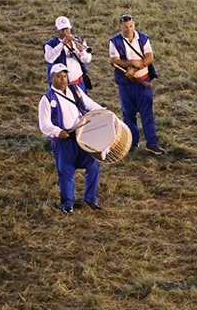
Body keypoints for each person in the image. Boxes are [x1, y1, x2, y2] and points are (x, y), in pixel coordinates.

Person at [38, 64, 106, 214]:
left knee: (93, 165)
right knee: (66, 172)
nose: (63, 79)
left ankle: (90, 200)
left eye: (64, 76)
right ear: (51, 78)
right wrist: (57, 132)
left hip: (82, 136)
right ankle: (67, 204)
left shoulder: (75, 90)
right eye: (58, 76)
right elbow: (44, 124)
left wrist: (104, 112)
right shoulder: (47, 99)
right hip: (63, 141)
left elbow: (90, 105)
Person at [109, 14, 165, 155]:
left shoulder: (143, 38)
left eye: (131, 26)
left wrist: (134, 68)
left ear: (134, 25)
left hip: (143, 81)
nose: (128, 29)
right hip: (126, 84)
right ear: (120, 27)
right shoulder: (115, 41)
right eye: (125, 27)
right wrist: (131, 63)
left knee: (147, 114)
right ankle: (131, 143)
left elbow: (149, 57)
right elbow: (115, 60)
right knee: (128, 114)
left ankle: (152, 144)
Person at [45, 16, 93, 93]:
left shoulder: (78, 40)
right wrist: (62, 44)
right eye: (62, 30)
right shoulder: (51, 44)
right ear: (57, 30)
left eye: (67, 29)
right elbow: (49, 59)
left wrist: (81, 51)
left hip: (78, 83)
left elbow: (87, 60)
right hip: (62, 85)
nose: (65, 32)